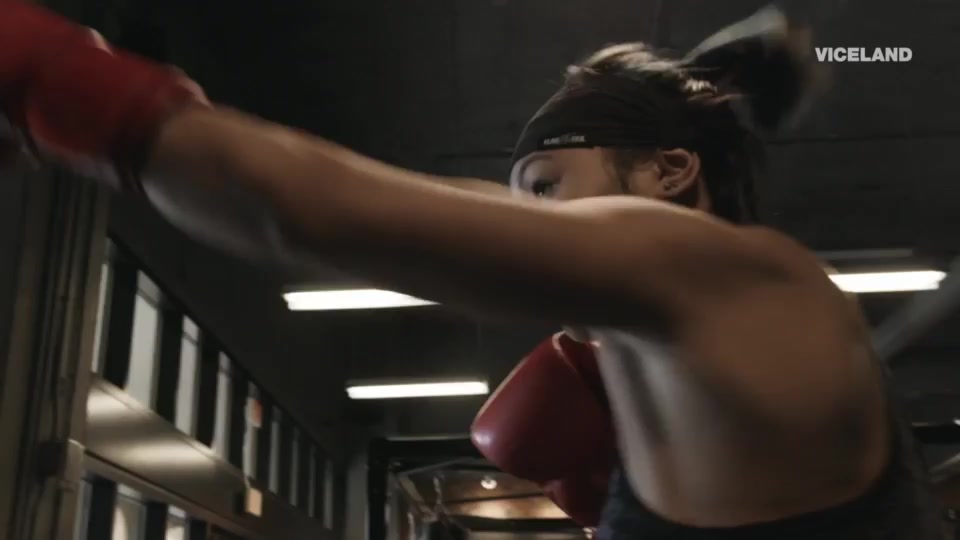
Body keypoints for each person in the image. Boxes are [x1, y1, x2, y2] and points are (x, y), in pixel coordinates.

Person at [0, 1, 943, 538]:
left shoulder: (733, 275)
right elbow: (367, 199)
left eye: (547, 189)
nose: (528, 223)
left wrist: (42, 73)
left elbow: (304, 206)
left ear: (669, 172)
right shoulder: (679, 332)